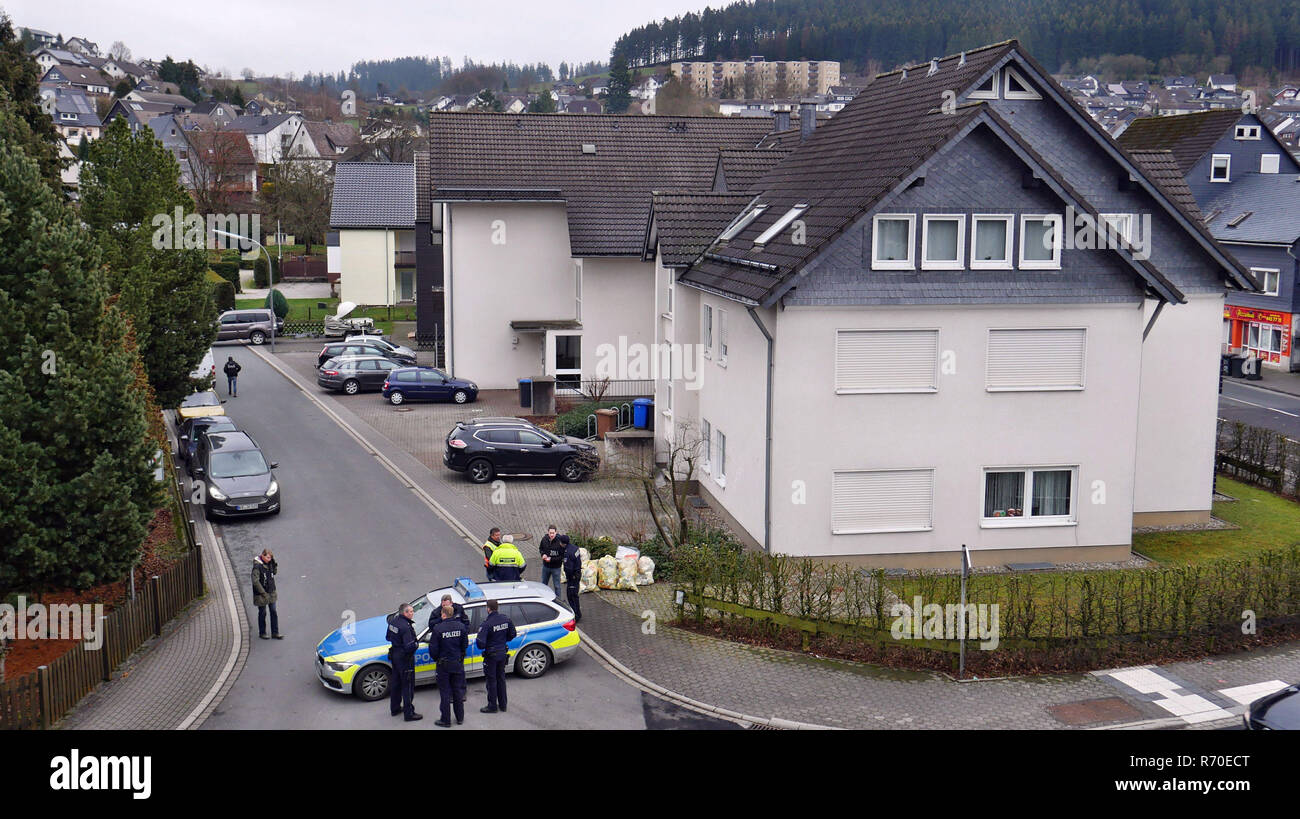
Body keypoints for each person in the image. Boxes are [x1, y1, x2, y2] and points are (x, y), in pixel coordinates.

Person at [475, 599, 516, 713]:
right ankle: (503, 705)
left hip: (491, 656)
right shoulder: (505, 619)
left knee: (491, 681)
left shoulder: (486, 623)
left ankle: (492, 706)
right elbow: (513, 634)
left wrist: (490, 642)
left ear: (488, 609)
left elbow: (480, 644)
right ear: (497, 608)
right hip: (502, 653)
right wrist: (502, 641)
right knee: (501, 679)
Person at [431, 602, 468, 727]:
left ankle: (445, 720)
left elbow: (433, 650)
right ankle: (460, 718)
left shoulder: (438, 629)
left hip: (443, 665)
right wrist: (460, 657)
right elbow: (464, 646)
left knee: (445, 693)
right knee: (457, 691)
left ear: (444, 615)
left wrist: (438, 659)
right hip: (457, 663)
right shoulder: (461, 627)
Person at [386, 602, 421, 721]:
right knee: (408, 686)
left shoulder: (393, 622)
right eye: (411, 611)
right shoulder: (405, 627)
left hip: (395, 656)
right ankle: (409, 713)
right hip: (405, 659)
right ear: (405, 613)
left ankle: (395, 708)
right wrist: (416, 644)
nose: (413, 613)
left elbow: (388, 637)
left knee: (396, 684)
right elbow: (409, 647)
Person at [252, 549, 284, 639]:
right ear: (262, 555)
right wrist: (263, 593)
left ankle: (275, 632)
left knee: (273, 611)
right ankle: (262, 633)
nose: (269, 559)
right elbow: (255, 581)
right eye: (268, 557)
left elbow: (274, 573)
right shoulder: (257, 567)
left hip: (271, 592)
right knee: (262, 612)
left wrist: (274, 565)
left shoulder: (269, 563)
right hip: (261, 594)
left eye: (271, 558)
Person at [538, 525, 565, 598]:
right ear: (548, 532)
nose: (552, 535)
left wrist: (551, 559)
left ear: (556, 532)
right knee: (543, 584)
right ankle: (543, 598)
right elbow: (541, 548)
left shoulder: (560, 541)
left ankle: (559, 600)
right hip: (546, 566)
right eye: (550, 533)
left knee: (557, 586)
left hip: (556, 568)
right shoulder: (544, 539)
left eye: (553, 533)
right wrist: (542, 554)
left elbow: (562, 556)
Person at [561, 535, 582, 623]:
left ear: (563, 543)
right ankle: (578, 613)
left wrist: (568, 576)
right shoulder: (575, 548)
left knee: (571, 596)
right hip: (577, 574)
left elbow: (568, 568)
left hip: (572, 577)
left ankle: (576, 615)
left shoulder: (567, 553)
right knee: (575, 595)